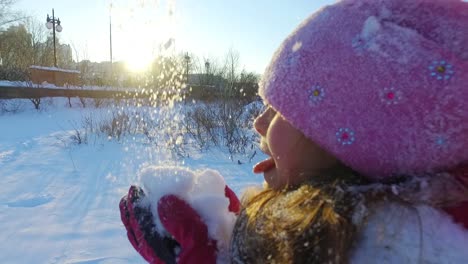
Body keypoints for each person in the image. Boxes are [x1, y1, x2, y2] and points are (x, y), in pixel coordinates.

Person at [120, 0, 468, 263]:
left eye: (281, 111)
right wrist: (235, 242)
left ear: (355, 140)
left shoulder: (397, 249)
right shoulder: (360, 232)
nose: (258, 123)